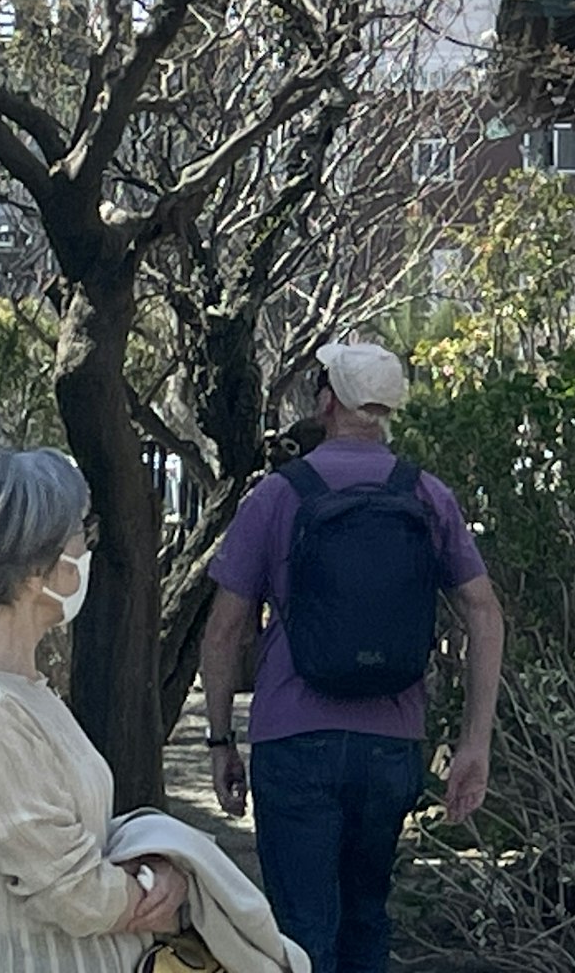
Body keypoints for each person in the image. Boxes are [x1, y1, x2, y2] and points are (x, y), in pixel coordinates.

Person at [201, 341, 505, 973]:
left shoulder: (278, 496)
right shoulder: (425, 494)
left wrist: (220, 738)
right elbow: (483, 611)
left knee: (301, 931)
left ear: (328, 400)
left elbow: (225, 630)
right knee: (368, 920)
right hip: (393, 742)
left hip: (294, 737)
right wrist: (474, 742)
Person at [0, 446, 191, 972]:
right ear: (38, 568)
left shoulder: (17, 688)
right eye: (80, 535)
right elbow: (73, 893)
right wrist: (162, 893)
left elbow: (65, 833)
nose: (87, 550)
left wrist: (155, 862)